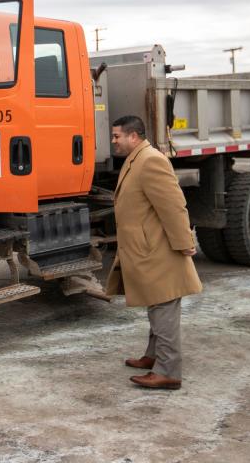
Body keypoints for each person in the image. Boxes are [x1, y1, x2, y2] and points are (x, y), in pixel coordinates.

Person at [105, 115, 202, 390]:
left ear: (133, 136)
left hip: (159, 250)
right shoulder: (137, 159)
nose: (114, 141)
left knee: (163, 308)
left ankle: (168, 371)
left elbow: (173, 206)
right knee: (156, 303)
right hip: (147, 249)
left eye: (117, 136)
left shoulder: (151, 161)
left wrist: (185, 242)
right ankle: (152, 357)